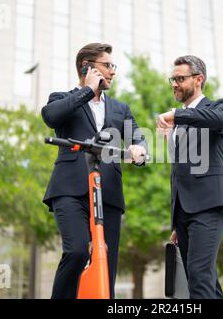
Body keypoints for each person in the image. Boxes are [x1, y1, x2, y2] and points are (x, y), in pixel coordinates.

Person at [41, 43, 146, 299]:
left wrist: (138, 149)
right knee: (76, 251)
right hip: (69, 190)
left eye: (113, 66)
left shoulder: (121, 108)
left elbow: (138, 138)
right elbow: (50, 117)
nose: (112, 72)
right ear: (87, 67)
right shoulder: (62, 98)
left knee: (106, 261)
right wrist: (87, 90)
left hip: (108, 192)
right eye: (107, 66)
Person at [157, 55, 223, 299]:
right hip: (184, 212)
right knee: (202, 279)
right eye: (173, 79)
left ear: (198, 79)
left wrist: (176, 115)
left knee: (199, 274)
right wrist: (176, 221)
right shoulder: (178, 123)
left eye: (180, 79)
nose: (174, 84)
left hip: (210, 204)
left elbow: (221, 121)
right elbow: (178, 173)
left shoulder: (220, 108)